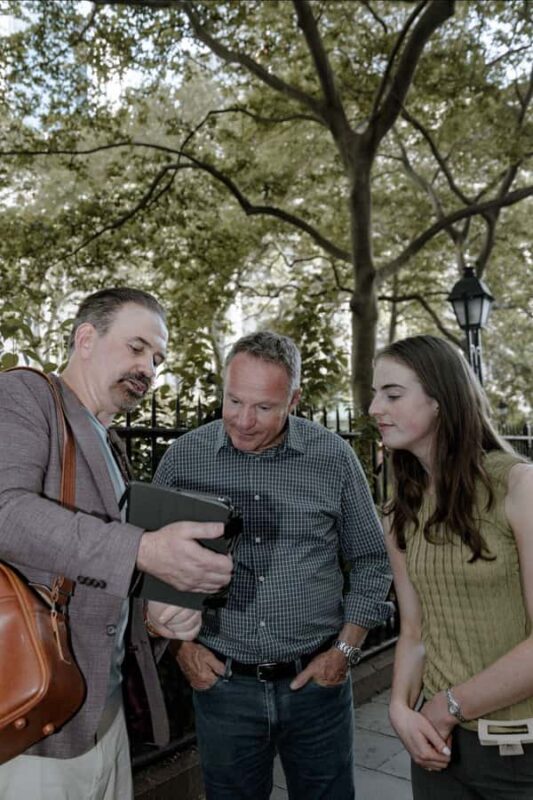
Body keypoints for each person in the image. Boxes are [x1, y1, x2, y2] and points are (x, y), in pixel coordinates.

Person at [0, 288, 233, 800]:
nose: (148, 367)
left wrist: (157, 614)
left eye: (156, 358)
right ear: (86, 338)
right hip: (35, 720)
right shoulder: (24, 395)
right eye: (136, 347)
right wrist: (143, 551)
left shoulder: (109, 443)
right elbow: (5, 512)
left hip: (103, 717)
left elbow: (101, 571)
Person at [154, 330, 391, 800]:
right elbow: (153, 570)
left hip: (317, 686)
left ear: (294, 400)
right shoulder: (183, 459)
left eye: (263, 407)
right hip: (223, 685)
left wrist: (344, 652)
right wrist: (183, 653)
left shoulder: (334, 459)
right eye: (234, 400)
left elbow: (371, 559)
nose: (243, 420)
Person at [369, 334, 533, 799]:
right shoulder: (399, 510)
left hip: (519, 756)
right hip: (438, 752)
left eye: (392, 394)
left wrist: (447, 707)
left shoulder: (519, 488)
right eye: (375, 393)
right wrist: (401, 710)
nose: (373, 407)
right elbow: (415, 631)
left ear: (441, 399)